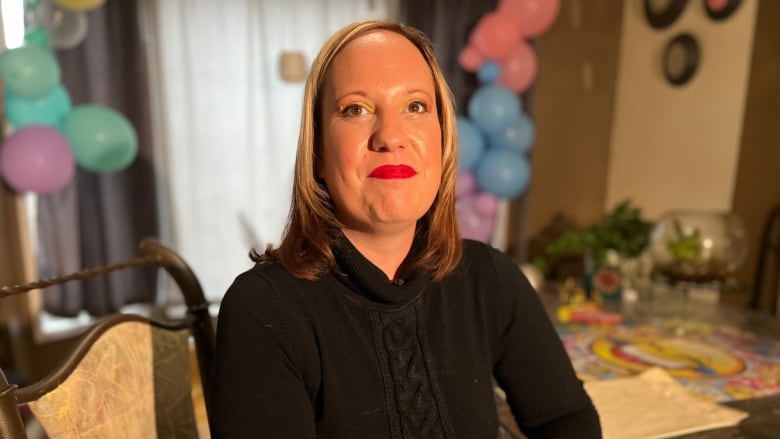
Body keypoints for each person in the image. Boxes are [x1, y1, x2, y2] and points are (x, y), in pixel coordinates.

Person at [210, 20, 601, 439]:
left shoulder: (490, 280)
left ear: (442, 139)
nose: (390, 137)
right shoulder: (264, 310)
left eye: (415, 106)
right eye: (355, 109)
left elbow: (565, 419)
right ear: (319, 153)